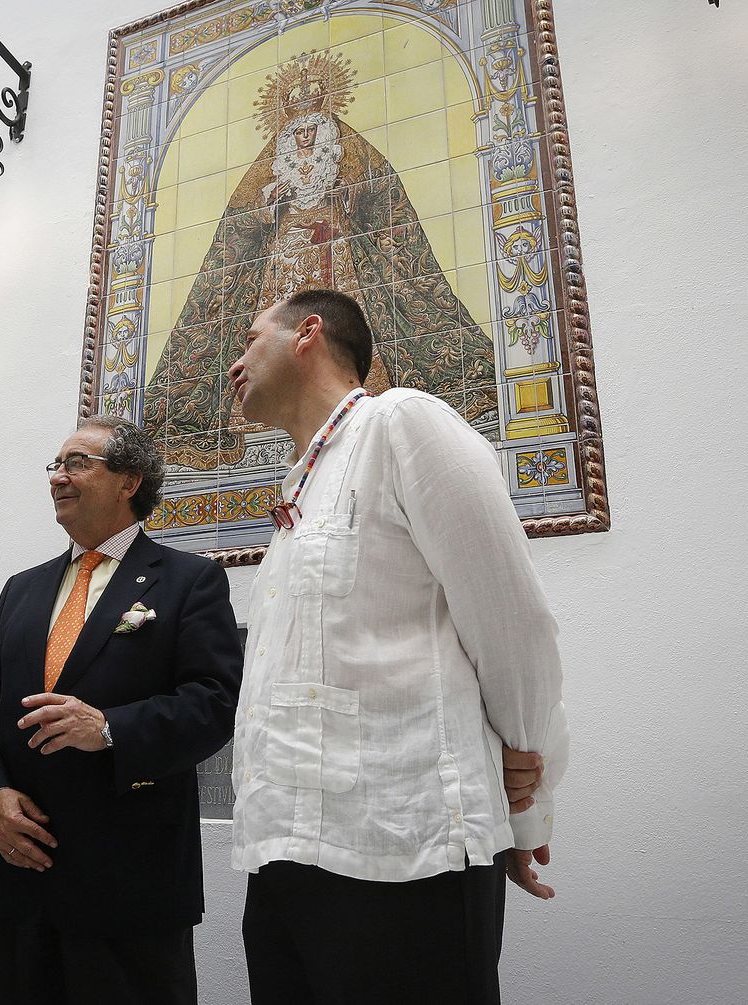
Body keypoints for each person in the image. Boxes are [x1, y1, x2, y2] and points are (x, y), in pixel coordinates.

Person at [226, 289, 568, 1004]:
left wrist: (524, 804)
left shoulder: (399, 423)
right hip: (285, 855)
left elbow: (513, 621)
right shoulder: (302, 490)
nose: (233, 363)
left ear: (307, 334)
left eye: (250, 338)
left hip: (405, 853)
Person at [0, 416, 243, 1005]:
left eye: (77, 463)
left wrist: (109, 728)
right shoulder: (21, 589)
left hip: (129, 885)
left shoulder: (190, 581)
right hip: (20, 876)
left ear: (129, 480)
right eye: (55, 466)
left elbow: (214, 703)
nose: (58, 477)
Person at [144, 48, 499, 472]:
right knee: (275, 334)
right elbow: (239, 221)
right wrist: (267, 206)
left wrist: (351, 194)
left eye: (312, 128)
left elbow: (381, 192)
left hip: (338, 249)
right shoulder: (273, 165)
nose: (305, 138)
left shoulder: (349, 153)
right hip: (286, 256)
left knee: (339, 326)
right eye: (297, 131)